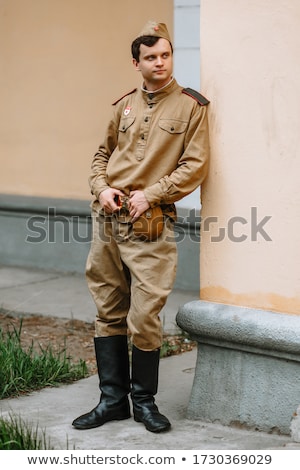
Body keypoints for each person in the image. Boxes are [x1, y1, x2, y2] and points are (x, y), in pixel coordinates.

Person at [72, 20, 210, 433]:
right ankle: (111, 401)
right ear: (137, 62)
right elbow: (101, 154)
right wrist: (102, 189)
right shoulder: (123, 106)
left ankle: (144, 402)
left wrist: (152, 193)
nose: (160, 63)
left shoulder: (191, 106)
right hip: (109, 223)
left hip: (149, 227)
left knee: (145, 314)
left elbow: (196, 165)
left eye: (165, 55)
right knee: (108, 310)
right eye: (150, 57)